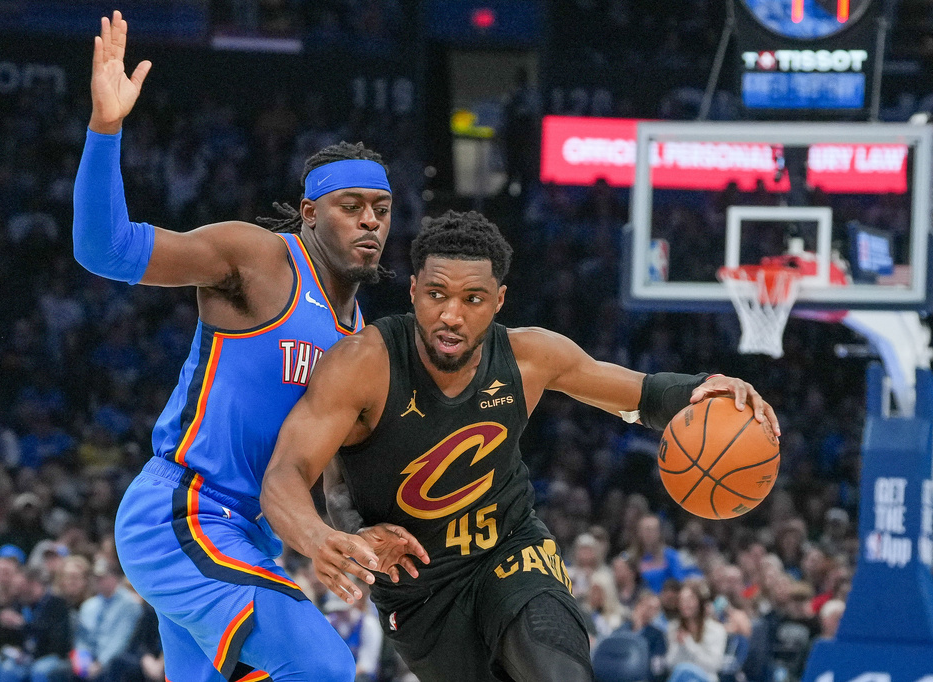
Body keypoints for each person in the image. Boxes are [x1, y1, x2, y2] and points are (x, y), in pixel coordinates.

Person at [261, 210, 780, 682]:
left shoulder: (528, 357)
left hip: (509, 550)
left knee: (556, 670)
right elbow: (285, 473)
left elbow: (640, 394)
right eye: (437, 294)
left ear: (499, 301)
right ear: (414, 290)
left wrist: (705, 387)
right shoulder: (361, 364)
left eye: (473, 299)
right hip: (420, 591)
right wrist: (324, 538)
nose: (451, 316)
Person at [76, 12, 419, 681]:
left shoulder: (360, 337)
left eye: (381, 207)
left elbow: (326, 472)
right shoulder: (259, 263)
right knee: (322, 665)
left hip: (250, 537)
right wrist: (105, 128)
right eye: (352, 205)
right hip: (185, 515)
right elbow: (104, 249)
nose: (371, 219)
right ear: (312, 211)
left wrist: (354, 530)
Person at [666, 584, 727, 682]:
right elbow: (670, 664)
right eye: (682, 600)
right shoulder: (674, 627)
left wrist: (689, 644)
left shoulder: (716, 629)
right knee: (682, 671)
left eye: (690, 600)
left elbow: (714, 665)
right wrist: (679, 646)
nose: (685, 604)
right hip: (681, 678)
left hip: (706, 678)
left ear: (700, 601)